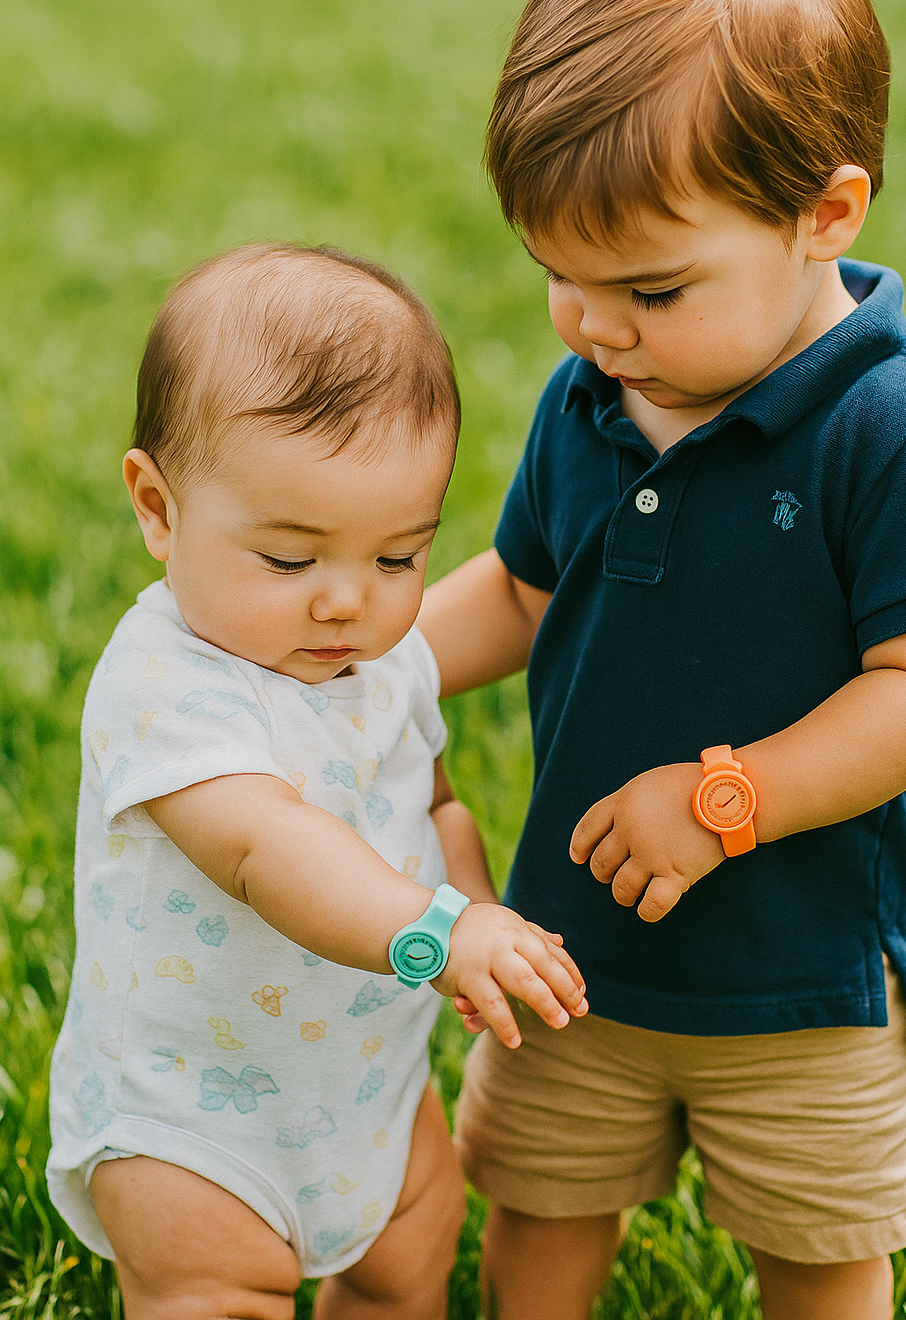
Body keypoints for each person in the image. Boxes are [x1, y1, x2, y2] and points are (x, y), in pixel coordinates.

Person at [418, 0, 906, 1320]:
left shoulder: (891, 427)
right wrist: (364, 659)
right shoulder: (596, 396)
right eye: (559, 278)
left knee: (818, 1260)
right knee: (540, 1222)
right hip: (573, 955)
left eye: (649, 286)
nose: (594, 326)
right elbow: (517, 589)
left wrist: (727, 798)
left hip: (805, 982)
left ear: (826, 215)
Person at [46, 242, 587, 1320]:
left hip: (366, 1093)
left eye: (397, 559)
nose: (347, 602)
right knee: (213, 1295)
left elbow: (431, 800)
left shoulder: (383, 662)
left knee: (404, 1271)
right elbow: (265, 849)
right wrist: (433, 932)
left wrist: (474, 905)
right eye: (291, 561)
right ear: (158, 507)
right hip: (191, 1120)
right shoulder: (166, 685)